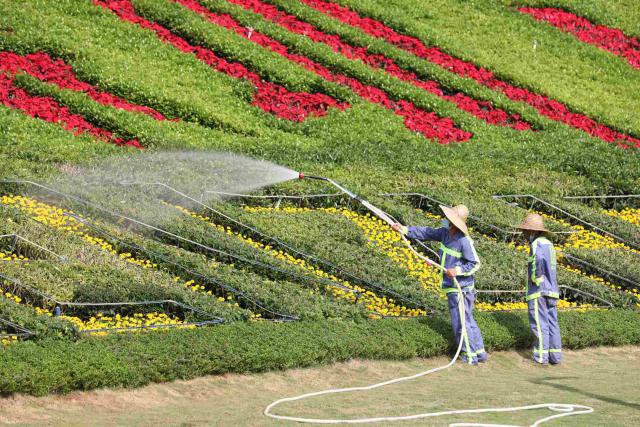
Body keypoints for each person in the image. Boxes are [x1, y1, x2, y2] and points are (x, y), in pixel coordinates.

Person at [392, 205, 487, 365]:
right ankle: (480, 353)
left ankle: (470, 356)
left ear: (454, 222)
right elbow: (426, 232)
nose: (445, 220)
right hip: (452, 287)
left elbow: (475, 263)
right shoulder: (444, 233)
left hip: (461, 289)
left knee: (461, 323)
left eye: (448, 219)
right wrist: (404, 229)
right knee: (467, 320)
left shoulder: (463, 241)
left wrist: (457, 270)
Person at [515, 213, 562, 365]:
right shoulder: (549, 244)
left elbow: (538, 262)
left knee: (540, 325)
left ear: (532, 231)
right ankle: (555, 357)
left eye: (525, 230)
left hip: (539, 291)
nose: (523, 233)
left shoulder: (537, 244)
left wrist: (534, 279)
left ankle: (540, 358)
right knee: (552, 323)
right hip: (552, 290)